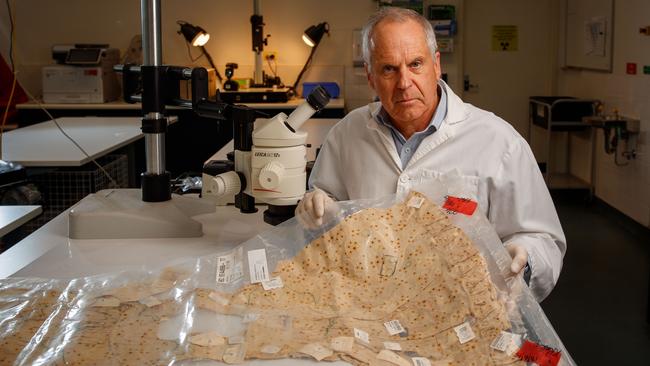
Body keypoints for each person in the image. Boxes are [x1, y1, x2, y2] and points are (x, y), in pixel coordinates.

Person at [295, 7, 565, 302]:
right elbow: (324, 205)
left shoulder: (500, 143)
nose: (404, 82)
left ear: (436, 65)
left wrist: (525, 261)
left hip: (465, 311)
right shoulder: (347, 134)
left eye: (415, 64)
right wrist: (315, 207)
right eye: (388, 69)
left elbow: (543, 239)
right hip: (368, 308)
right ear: (370, 77)